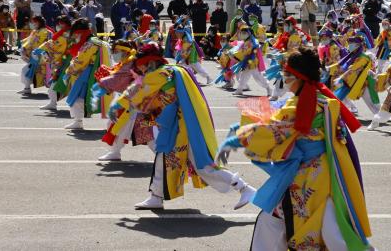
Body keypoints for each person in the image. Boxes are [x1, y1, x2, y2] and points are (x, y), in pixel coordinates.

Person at [216, 48, 371, 250]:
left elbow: (272, 130)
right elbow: (277, 120)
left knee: (284, 224)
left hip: (307, 178)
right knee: (321, 229)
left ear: (299, 77)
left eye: (287, 74)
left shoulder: (301, 104)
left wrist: (235, 138)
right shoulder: (322, 99)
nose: (284, 79)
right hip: (324, 173)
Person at [107, 43, 256, 210]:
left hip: (179, 129)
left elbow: (138, 91)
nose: (139, 68)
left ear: (150, 62)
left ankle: (244, 188)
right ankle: (156, 196)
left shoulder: (158, 74)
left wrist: (117, 104)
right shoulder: (169, 70)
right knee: (169, 160)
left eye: (141, 64)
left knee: (203, 166)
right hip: (179, 125)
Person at [96, 40, 155, 162]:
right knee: (125, 127)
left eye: (116, 51)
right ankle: (115, 152)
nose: (114, 54)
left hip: (133, 102)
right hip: (129, 100)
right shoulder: (127, 61)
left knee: (128, 128)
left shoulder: (131, 63)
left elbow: (118, 79)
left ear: (125, 51)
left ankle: (164, 157)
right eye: (114, 51)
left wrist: (104, 79)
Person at [62, 18, 112, 129]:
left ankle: (78, 121)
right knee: (83, 98)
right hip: (94, 72)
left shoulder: (90, 44)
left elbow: (80, 60)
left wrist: (68, 72)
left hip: (86, 74)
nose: (75, 36)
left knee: (76, 96)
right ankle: (79, 121)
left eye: (76, 34)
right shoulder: (95, 41)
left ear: (80, 32)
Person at [331, 35, 381, 116]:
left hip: (363, 82)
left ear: (358, 45)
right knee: (341, 96)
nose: (349, 45)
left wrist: (340, 78)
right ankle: (339, 112)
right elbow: (342, 66)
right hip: (352, 81)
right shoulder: (352, 56)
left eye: (352, 43)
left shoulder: (363, 57)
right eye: (349, 43)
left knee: (371, 100)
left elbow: (353, 69)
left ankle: (382, 115)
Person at [36, 16, 72, 110]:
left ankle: (53, 103)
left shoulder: (63, 36)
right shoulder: (66, 34)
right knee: (57, 85)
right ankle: (53, 103)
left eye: (60, 24)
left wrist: (42, 50)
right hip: (66, 63)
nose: (58, 26)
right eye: (58, 24)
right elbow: (51, 44)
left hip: (64, 64)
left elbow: (53, 46)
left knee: (56, 85)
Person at [230, 24, 272, 97]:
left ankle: (268, 88)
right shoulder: (246, 41)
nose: (242, 34)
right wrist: (234, 54)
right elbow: (241, 51)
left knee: (258, 77)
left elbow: (245, 52)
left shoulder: (252, 42)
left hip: (252, 63)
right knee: (243, 76)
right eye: (242, 33)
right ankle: (239, 90)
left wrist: (235, 56)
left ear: (249, 33)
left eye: (244, 33)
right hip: (247, 62)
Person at [18, 16, 51, 95]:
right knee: (29, 71)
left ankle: (28, 88)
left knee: (29, 71)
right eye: (33, 22)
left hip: (40, 56)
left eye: (35, 22)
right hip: (35, 55)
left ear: (39, 22)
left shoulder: (44, 32)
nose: (33, 24)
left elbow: (35, 42)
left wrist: (25, 47)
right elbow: (29, 40)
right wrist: (23, 47)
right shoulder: (36, 31)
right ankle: (27, 88)